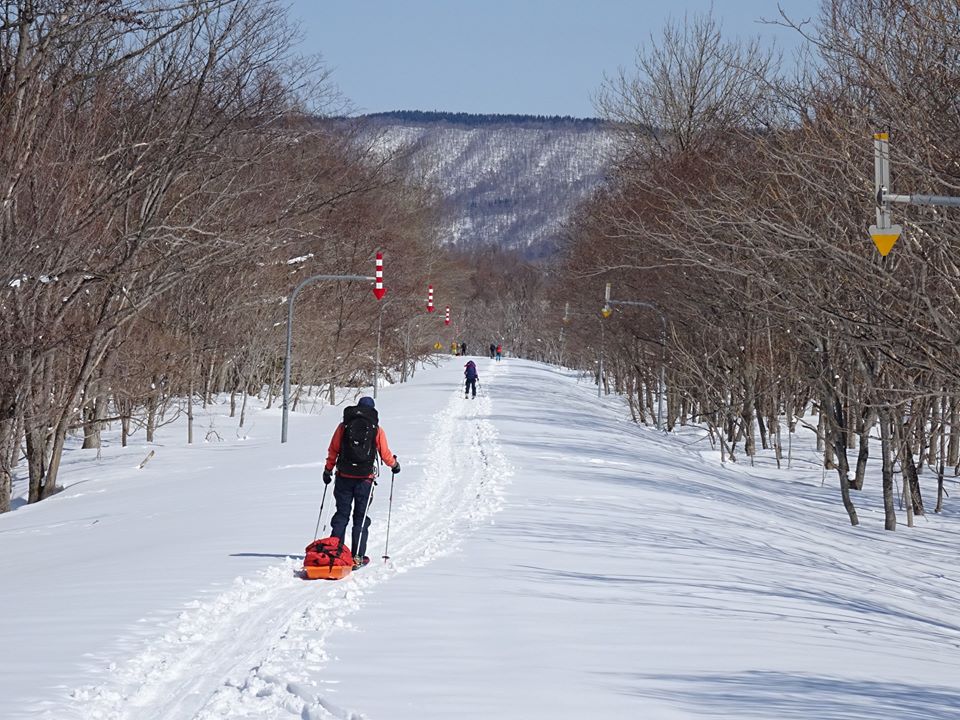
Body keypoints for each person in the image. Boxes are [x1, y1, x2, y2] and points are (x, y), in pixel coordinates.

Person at [323, 396, 400, 568]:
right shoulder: (376, 428)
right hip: (365, 479)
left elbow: (333, 449)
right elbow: (385, 453)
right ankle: (357, 556)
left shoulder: (343, 426)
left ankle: (336, 554)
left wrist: (328, 469)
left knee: (341, 515)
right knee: (360, 517)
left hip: (343, 477)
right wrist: (394, 465)